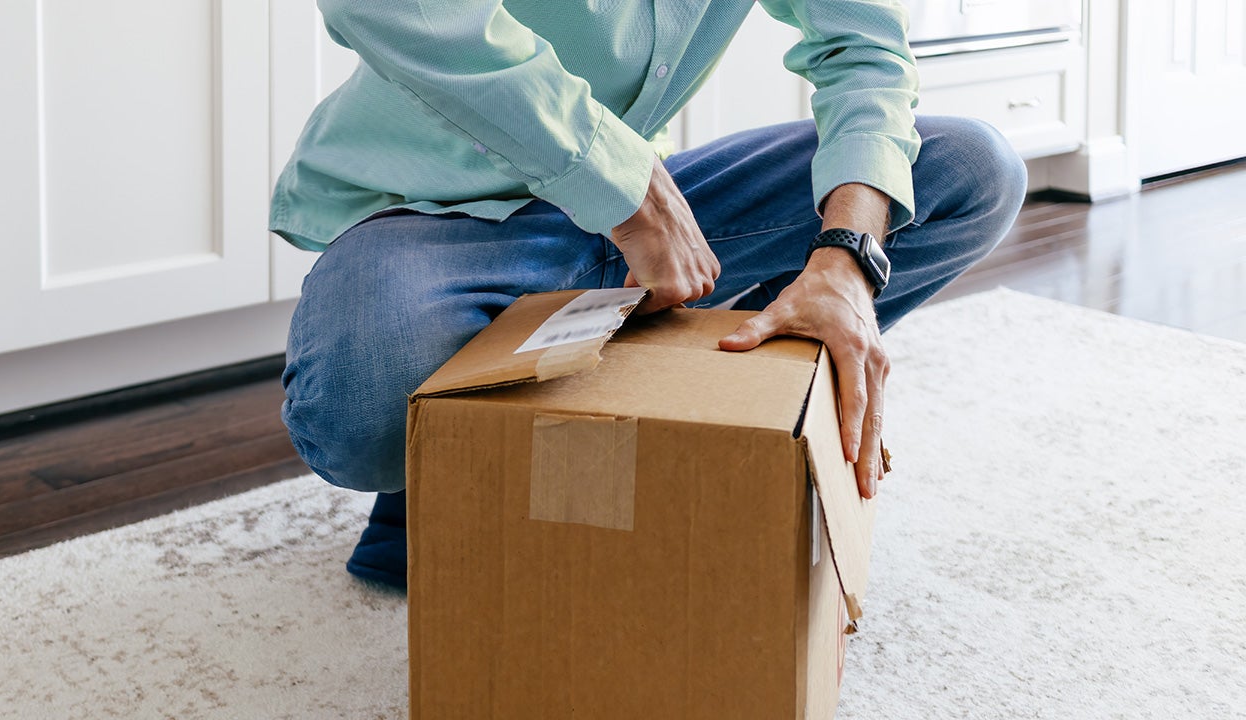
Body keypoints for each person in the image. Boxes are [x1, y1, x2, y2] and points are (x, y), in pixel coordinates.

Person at [272, 0, 1028, 587]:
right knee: (363, 411)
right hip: (435, 209)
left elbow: (866, 49)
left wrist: (845, 259)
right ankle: (450, 472)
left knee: (971, 169)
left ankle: (704, 429)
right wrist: (627, 193)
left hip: (642, 213)